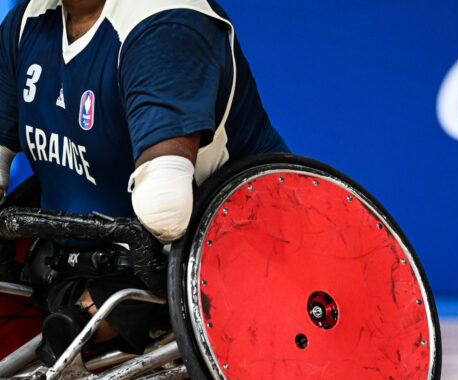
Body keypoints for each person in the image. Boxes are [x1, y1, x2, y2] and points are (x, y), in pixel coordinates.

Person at [0, 0, 289, 365]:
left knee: (155, 217)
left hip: (235, 257)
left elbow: (166, 211)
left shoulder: (166, 24)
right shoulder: (28, 21)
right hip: (85, 260)